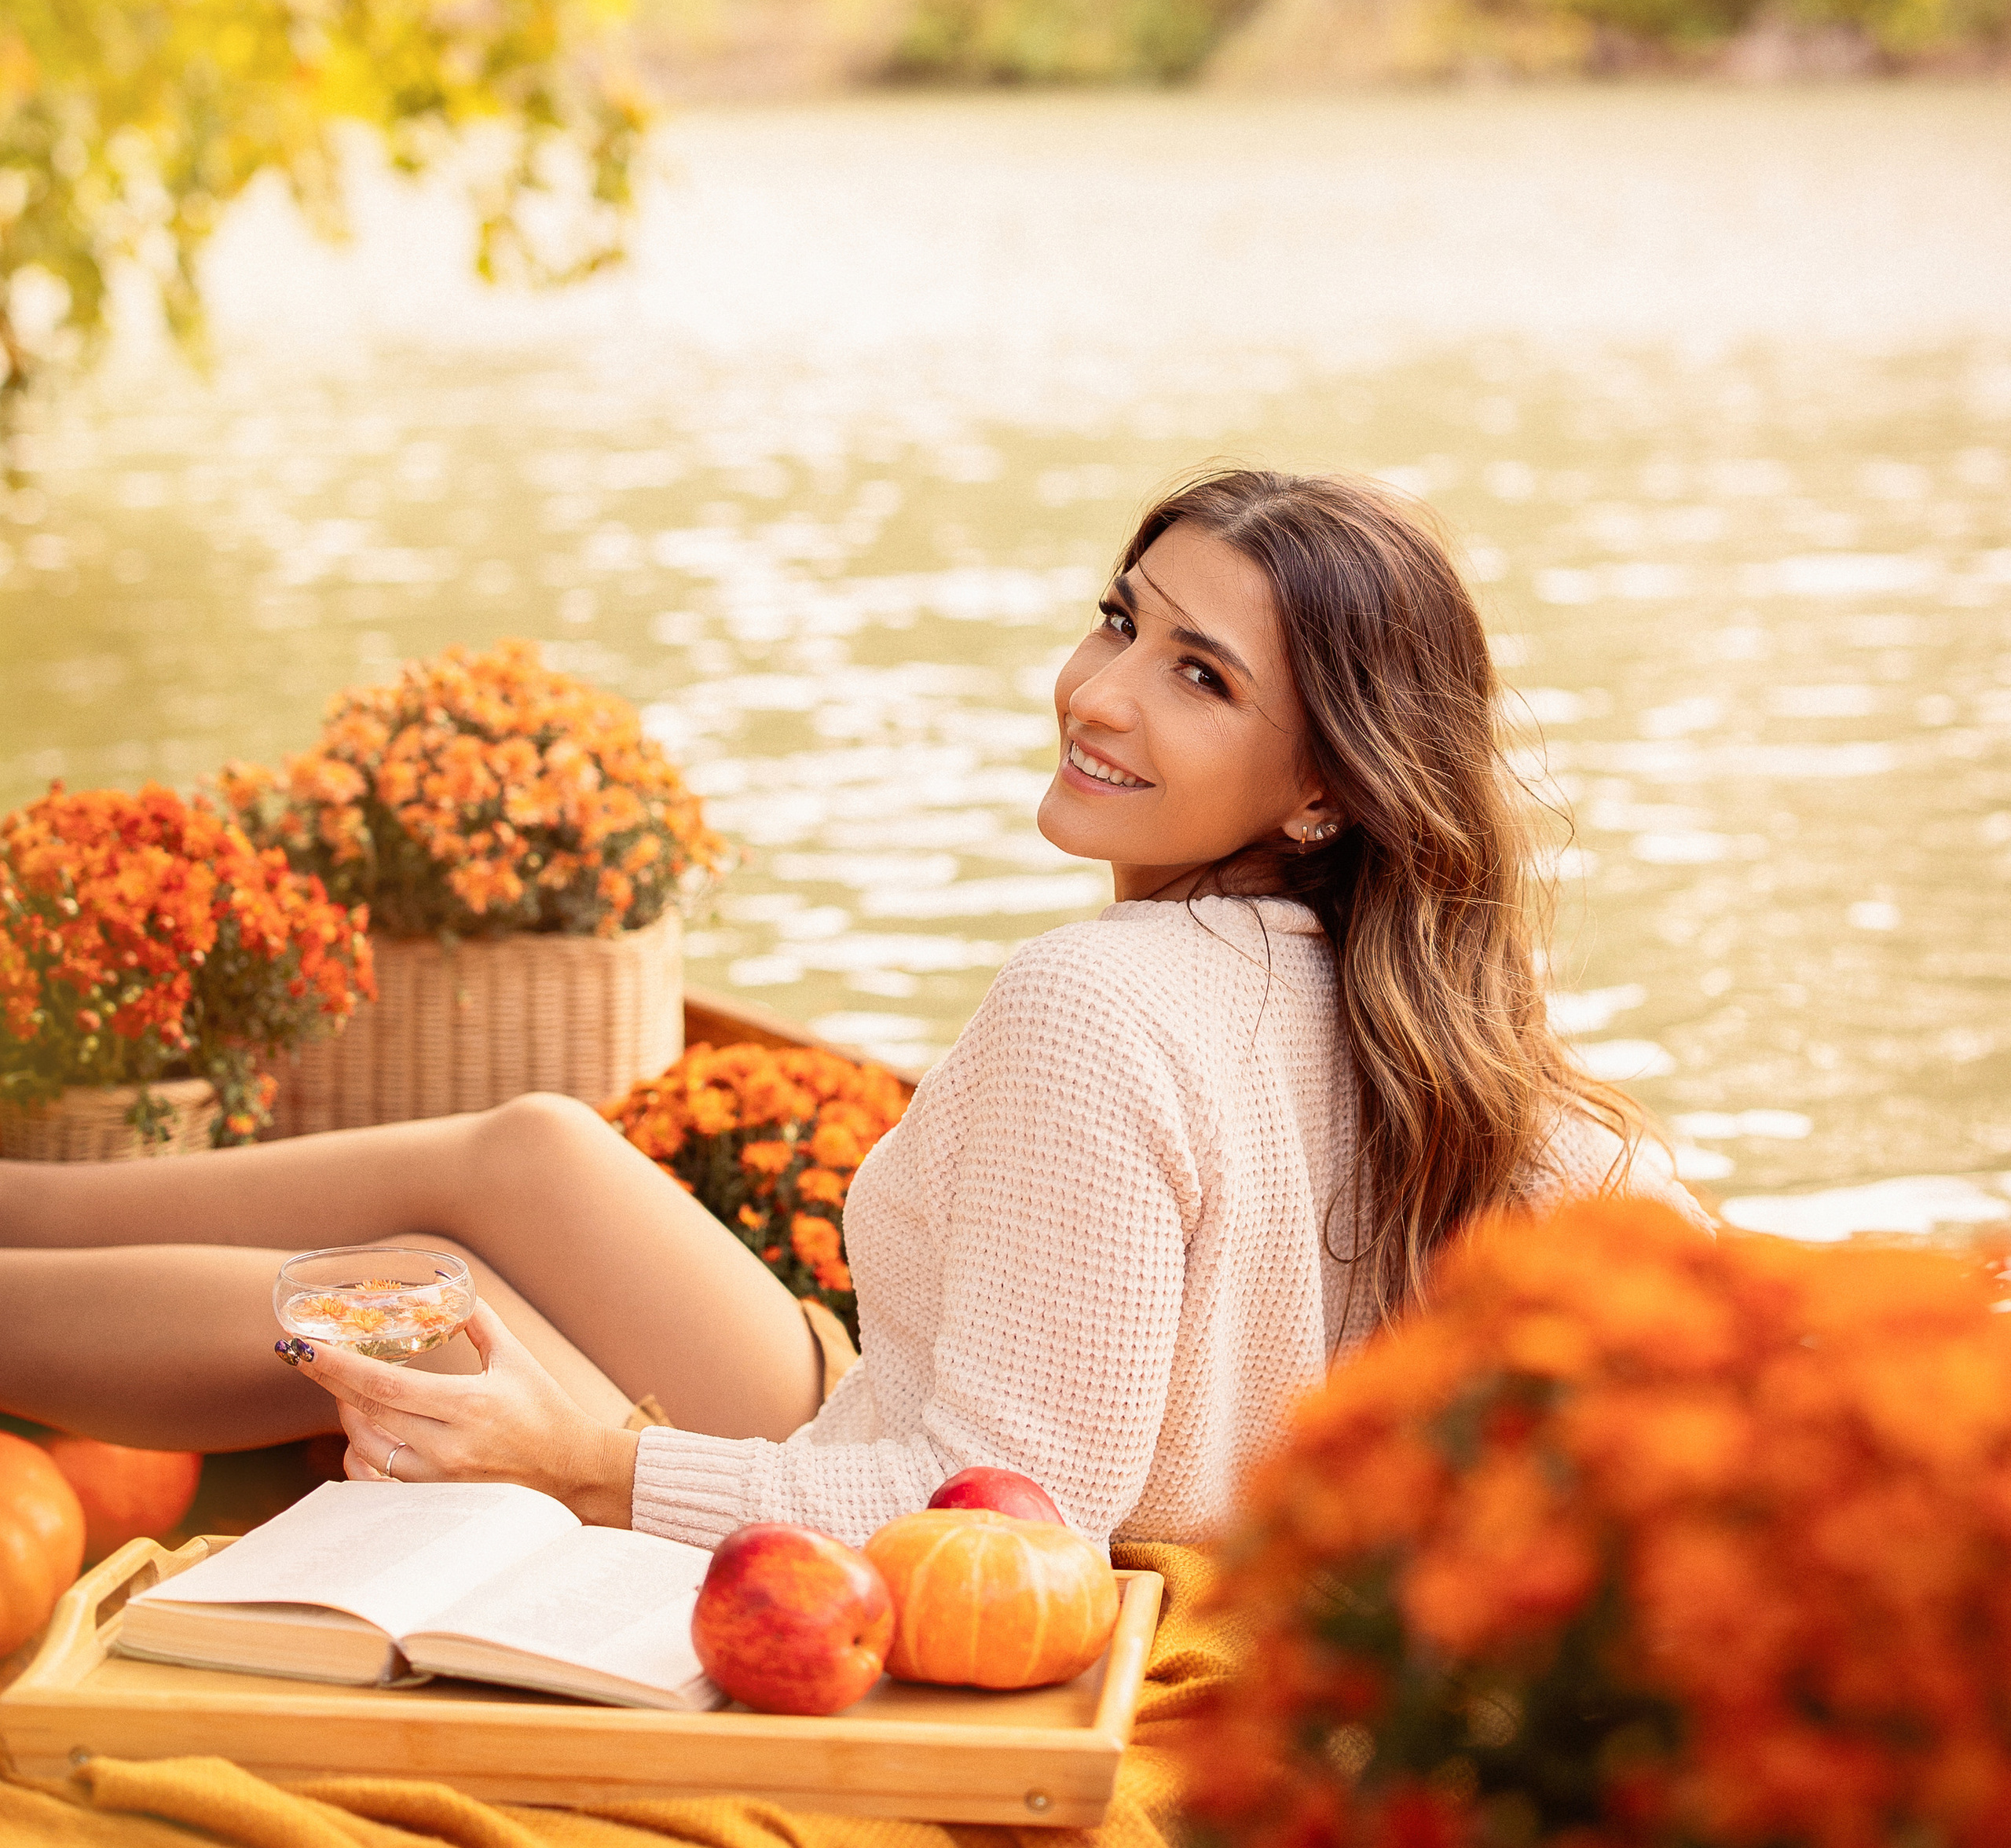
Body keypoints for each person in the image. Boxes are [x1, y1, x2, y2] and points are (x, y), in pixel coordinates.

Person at [0, 468, 1698, 1548]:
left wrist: (585, 1463)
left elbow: (1009, 1515)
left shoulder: (1095, 1007)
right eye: (1121, 622)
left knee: (415, 1305)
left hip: (871, 1541)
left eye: (1197, 677)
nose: (1097, 695)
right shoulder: (1443, 1025)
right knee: (534, 1148)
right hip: (856, 1403)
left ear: (1326, 785)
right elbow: (1708, 1286)